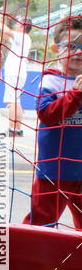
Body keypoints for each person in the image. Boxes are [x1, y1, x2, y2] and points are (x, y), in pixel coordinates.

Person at [23, 16, 82, 229]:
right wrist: (75, 95)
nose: (78, 52)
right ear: (57, 49)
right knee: (41, 222)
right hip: (55, 169)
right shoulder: (50, 81)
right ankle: (28, 259)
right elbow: (47, 114)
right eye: (72, 46)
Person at [3, 17, 32, 136]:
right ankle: (17, 129)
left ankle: (12, 129)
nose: (16, 25)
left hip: (14, 71)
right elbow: (6, 36)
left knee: (12, 101)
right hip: (18, 72)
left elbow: (6, 31)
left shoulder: (22, 36)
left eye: (18, 24)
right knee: (16, 101)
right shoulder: (22, 39)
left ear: (23, 26)